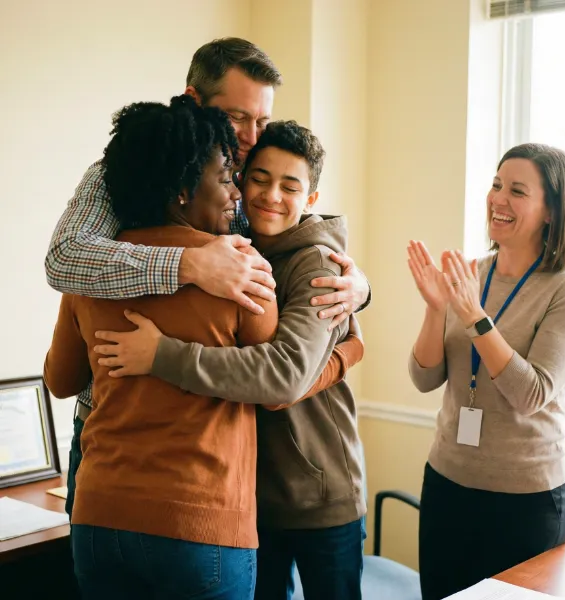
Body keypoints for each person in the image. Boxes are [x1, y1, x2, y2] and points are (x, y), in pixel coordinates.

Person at [43, 97, 362, 600]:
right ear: (185, 190)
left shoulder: (95, 269)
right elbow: (278, 384)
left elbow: (60, 382)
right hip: (201, 521)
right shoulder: (243, 267)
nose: (237, 191)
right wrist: (349, 351)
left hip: (100, 514)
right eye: (227, 177)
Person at [407, 143, 565, 600]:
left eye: (517, 190)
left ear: (552, 210)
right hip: (448, 484)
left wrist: (474, 317)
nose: (498, 199)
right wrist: (436, 310)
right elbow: (425, 378)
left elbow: (531, 393)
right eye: (495, 185)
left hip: (525, 501)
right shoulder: (472, 273)